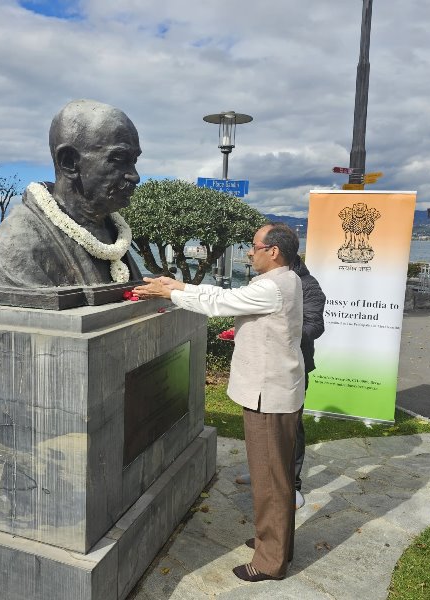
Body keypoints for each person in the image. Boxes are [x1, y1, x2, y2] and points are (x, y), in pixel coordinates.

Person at [134, 222, 304, 583]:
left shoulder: (274, 287)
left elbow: (220, 302)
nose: (249, 252)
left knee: (270, 479)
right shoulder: (282, 281)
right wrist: (178, 285)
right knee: (277, 476)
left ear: (273, 251)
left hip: (268, 395)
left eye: (254, 246)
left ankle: (271, 560)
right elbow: (222, 295)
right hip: (274, 391)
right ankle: (274, 542)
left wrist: (170, 294)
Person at [0, 99, 143, 287]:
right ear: (69, 163)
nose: (135, 176)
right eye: (119, 158)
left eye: (134, 161)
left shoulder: (113, 230)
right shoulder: (18, 240)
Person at [235, 253, 326, 510]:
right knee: (263, 429)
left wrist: (283, 335)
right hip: (264, 370)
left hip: (292, 367)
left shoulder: (306, 285)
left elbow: (315, 325)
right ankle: (262, 473)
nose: (253, 256)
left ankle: (292, 485)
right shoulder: (266, 283)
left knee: (290, 430)